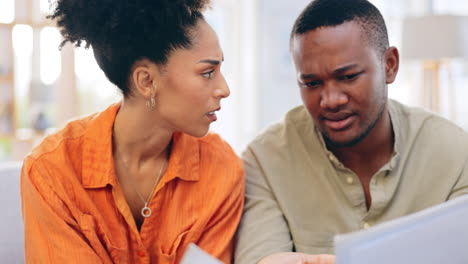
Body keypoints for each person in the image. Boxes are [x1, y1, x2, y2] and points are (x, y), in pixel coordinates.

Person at [234, 0, 468, 263]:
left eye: (348, 77)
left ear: (389, 64)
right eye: (311, 83)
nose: (330, 100)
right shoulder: (265, 161)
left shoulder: (456, 154)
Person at [20, 0, 244, 263]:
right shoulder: (51, 171)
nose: (224, 89)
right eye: (207, 72)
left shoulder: (222, 168)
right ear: (147, 81)